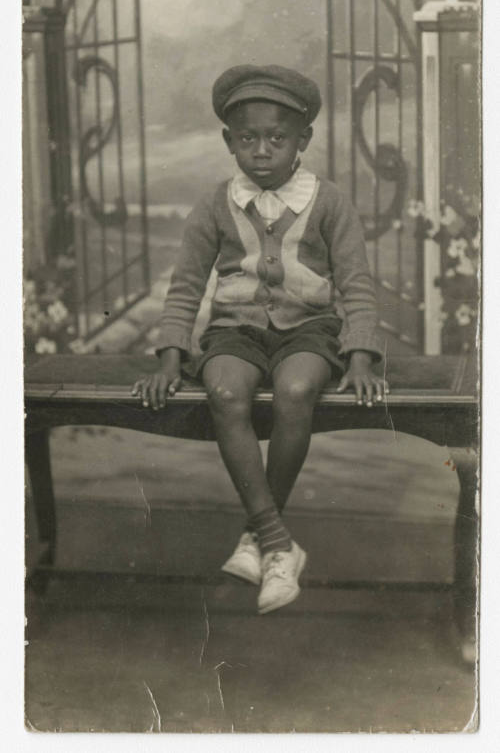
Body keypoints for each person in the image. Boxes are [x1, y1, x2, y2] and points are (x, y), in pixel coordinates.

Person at [132, 64, 387, 614]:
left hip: (311, 330)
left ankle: (258, 537)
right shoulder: (214, 203)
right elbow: (186, 287)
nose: (263, 152)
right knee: (225, 391)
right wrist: (170, 357)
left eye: (278, 138)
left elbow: (357, 285)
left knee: (297, 391)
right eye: (248, 139)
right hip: (237, 329)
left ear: (304, 140)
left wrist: (361, 356)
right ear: (229, 142)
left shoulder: (328, 202)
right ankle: (277, 542)